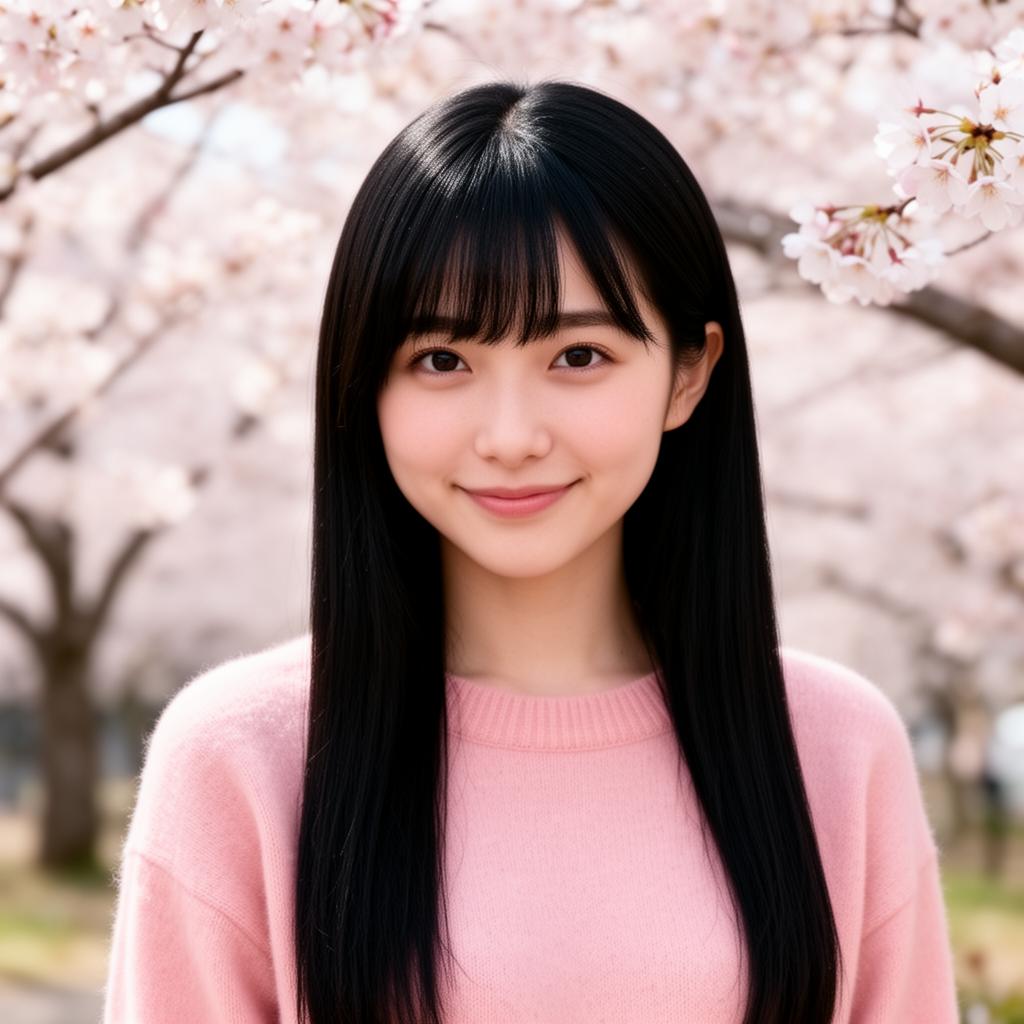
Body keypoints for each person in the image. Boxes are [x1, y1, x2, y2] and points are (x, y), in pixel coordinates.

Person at [101, 79, 960, 1023]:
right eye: (442, 361)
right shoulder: (242, 757)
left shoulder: (835, 747)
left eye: (578, 358)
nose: (509, 435)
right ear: (364, 382)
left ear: (689, 374)